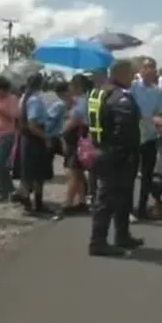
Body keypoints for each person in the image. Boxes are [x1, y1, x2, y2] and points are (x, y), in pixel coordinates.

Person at [87, 59, 144, 257]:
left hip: (101, 148)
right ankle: (98, 242)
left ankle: (123, 235)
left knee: (123, 197)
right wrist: (127, 150)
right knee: (108, 199)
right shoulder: (120, 98)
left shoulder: (98, 92)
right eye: (131, 74)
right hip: (118, 154)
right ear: (121, 74)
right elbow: (125, 129)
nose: (133, 78)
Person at [131, 58, 162, 220]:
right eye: (146, 67)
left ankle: (142, 207)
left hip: (150, 137)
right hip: (132, 136)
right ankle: (128, 209)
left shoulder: (158, 92)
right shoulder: (132, 88)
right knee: (130, 174)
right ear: (140, 70)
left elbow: (160, 114)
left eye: (152, 67)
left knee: (147, 175)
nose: (149, 70)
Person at [16, 73, 54, 215]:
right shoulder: (35, 100)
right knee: (38, 173)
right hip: (35, 138)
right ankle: (36, 203)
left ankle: (27, 200)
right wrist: (46, 137)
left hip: (26, 138)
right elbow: (32, 124)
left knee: (28, 172)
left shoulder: (23, 98)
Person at [58, 75, 91, 218]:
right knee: (78, 173)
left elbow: (74, 121)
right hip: (75, 139)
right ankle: (81, 200)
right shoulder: (77, 101)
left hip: (76, 139)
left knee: (73, 172)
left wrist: (60, 132)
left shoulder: (82, 103)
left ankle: (68, 202)